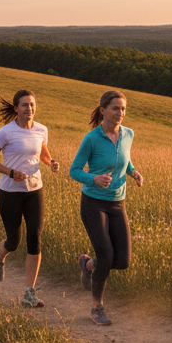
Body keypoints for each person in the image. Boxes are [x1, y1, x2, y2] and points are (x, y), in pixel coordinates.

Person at [69, 89, 143, 325]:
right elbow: (74, 170)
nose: (120, 113)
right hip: (93, 202)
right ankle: (97, 307)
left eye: (123, 109)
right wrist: (94, 178)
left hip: (118, 203)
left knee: (122, 261)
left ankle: (87, 264)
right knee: (106, 255)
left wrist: (133, 172)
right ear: (103, 110)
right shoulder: (91, 138)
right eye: (115, 108)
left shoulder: (128, 134)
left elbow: (125, 159)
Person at [0, 90, 61, 308]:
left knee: (34, 239)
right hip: (10, 193)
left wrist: (51, 162)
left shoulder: (41, 129)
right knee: (13, 242)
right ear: (16, 108)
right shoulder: (6, 132)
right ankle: (0, 256)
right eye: (25, 105)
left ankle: (29, 293)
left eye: (32, 104)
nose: (29, 108)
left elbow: (43, 153)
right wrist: (10, 172)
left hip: (35, 191)